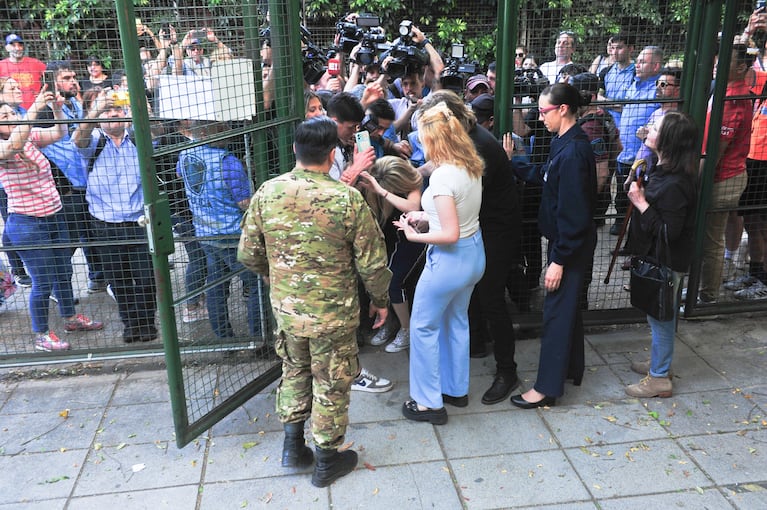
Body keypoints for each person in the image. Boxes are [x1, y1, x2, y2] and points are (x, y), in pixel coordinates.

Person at [237, 117, 392, 488]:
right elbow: (372, 263)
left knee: (294, 370)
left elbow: (247, 252)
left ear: (295, 150)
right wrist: (381, 300)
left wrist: (274, 276)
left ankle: (293, 447)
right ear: (333, 153)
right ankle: (326, 460)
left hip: (289, 311)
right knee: (332, 381)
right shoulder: (347, 199)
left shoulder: (268, 193)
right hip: (334, 315)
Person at [394, 101, 485, 425]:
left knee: (423, 328)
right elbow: (458, 215)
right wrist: (426, 215)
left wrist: (410, 232)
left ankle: (428, 403)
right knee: (456, 321)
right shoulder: (469, 164)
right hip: (474, 256)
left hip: (449, 261)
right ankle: (455, 389)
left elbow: (448, 234)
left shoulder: (444, 177)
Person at [509, 83, 597, 408]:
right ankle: (573, 368)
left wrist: (558, 260)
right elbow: (547, 175)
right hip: (565, 242)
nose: (539, 117)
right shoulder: (565, 141)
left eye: (543, 111)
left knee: (556, 313)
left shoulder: (574, 151)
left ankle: (546, 388)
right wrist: (513, 163)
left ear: (563, 109)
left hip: (568, 246)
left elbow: (575, 215)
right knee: (566, 309)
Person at [0, 88, 104, 351]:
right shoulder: (5, 146)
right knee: (43, 281)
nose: (10, 116)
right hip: (27, 223)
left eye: (12, 112)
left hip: (55, 216)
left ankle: (70, 318)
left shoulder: (30, 137)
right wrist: (34, 107)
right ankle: (41, 335)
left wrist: (56, 108)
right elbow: (13, 145)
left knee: (64, 271)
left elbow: (60, 133)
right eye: (4, 114)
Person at [72, 89, 158, 344]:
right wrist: (96, 109)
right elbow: (78, 139)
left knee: (145, 278)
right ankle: (130, 324)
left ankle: (147, 322)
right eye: (108, 112)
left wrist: (141, 107)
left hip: (138, 221)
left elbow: (157, 135)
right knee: (119, 280)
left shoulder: (137, 137)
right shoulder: (95, 141)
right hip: (105, 223)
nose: (113, 115)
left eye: (117, 110)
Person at [625, 111, 698, 397]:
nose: (648, 129)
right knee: (657, 314)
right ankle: (659, 364)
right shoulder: (661, 168)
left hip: (667, 261)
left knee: (663, 318)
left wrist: (641, 203)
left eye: (655, 128)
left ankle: (659, 378)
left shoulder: (677, 184)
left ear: (667, 140)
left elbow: (670, 232)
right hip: (654, 257)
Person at [177, 122, 262, 339]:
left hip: (205, 232)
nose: (227, 131)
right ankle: (258, 337)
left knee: (216, 287)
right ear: (206, 131)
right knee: (256, 285)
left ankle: (225, 339)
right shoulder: (227, 161)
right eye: (221, 128)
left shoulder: (185, 154)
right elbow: (244, 201)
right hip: (233, 234)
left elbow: (181, 175)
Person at [697, 44, 753, 304]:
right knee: (710, 237)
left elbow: (716, 152)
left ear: (741, 67)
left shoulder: (732, 101)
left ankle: (708, 296)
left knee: (712, 241)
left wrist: (697, 179)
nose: (716, 64)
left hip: (722, 178)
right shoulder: (725, 91)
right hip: (725, 173)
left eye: (724, 62)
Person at [360, 156, 423, 353]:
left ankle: (407, 330)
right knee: (377, 279)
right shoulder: (373, 180)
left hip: (410, 241)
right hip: (385, 241)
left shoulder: (411, 182)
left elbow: (413, 207)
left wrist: (382, 191)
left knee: (395, 283)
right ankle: (388, 321)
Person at [612, 46, 662, 235]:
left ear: (656, 66)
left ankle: (636, 241)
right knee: (621, 196)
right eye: (638, 61)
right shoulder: (633, 84)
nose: (637, 65)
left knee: (640, 202)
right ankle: (624, 232)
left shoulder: (658, 89)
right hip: (624, 153)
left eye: (642, 62)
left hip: (644, 157)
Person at [0, 34, 46, 110]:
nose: (17, 48)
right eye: (13, 45)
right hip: (12, 111)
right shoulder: (1, 65)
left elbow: (53, 77)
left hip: (37, 109)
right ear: (6, 48)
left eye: (20, 45)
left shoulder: (35, 63)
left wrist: (43, 94)